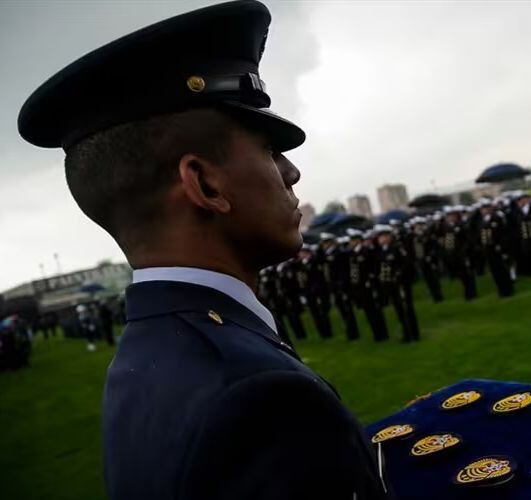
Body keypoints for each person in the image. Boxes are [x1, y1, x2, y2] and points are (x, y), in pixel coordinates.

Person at [17, 2, 389, 498]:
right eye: (269, 152)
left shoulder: (148, 349)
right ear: (205, 184)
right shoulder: (257, 394)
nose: (291, 173)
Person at [375, 225, 420, 342]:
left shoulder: (397, 248)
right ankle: (406, 332)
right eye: (380, 237)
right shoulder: (381, 251)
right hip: (391, 284)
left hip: (401, 283)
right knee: (399, 309)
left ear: (389, 236)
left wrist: (398, 275)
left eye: (383, 236)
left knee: (407, 308)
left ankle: (413, 333)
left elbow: (406, 263)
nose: (381, 239)